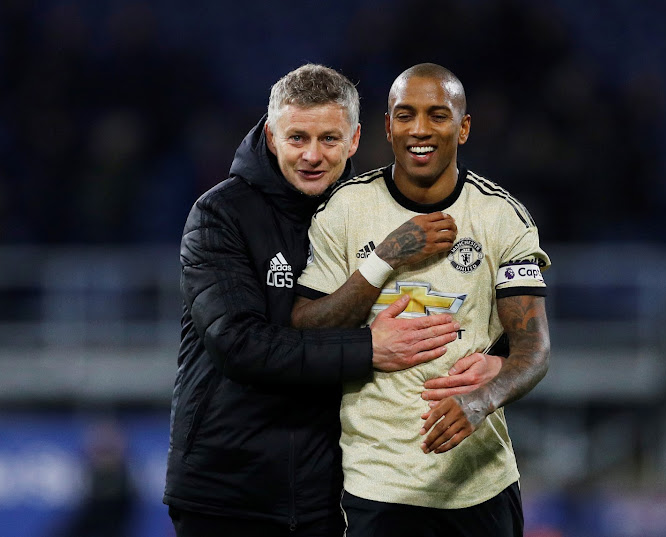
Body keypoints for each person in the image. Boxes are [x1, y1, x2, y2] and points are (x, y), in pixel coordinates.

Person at [163, 63, 501, 537]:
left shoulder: (369, 214)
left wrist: (499, 361)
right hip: (228, 493)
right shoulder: (221, 214)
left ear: (356, 139)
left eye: (329, 139)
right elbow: (237, 345)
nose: (312, 156)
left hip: (328, 496)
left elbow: (449, 309)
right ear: (272, 134)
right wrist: (368, 349)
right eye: (297, 137)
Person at [292, 63, 551, 537]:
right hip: (377, 487)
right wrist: (384, 258)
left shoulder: (501, 217)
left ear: (464, 127)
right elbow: (306, 327)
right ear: (387, 126)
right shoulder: (345, 210)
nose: (420, 129)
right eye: (406, 115)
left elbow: (534, 351)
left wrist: (483, 398)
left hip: (481, 484)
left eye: (438, 114)